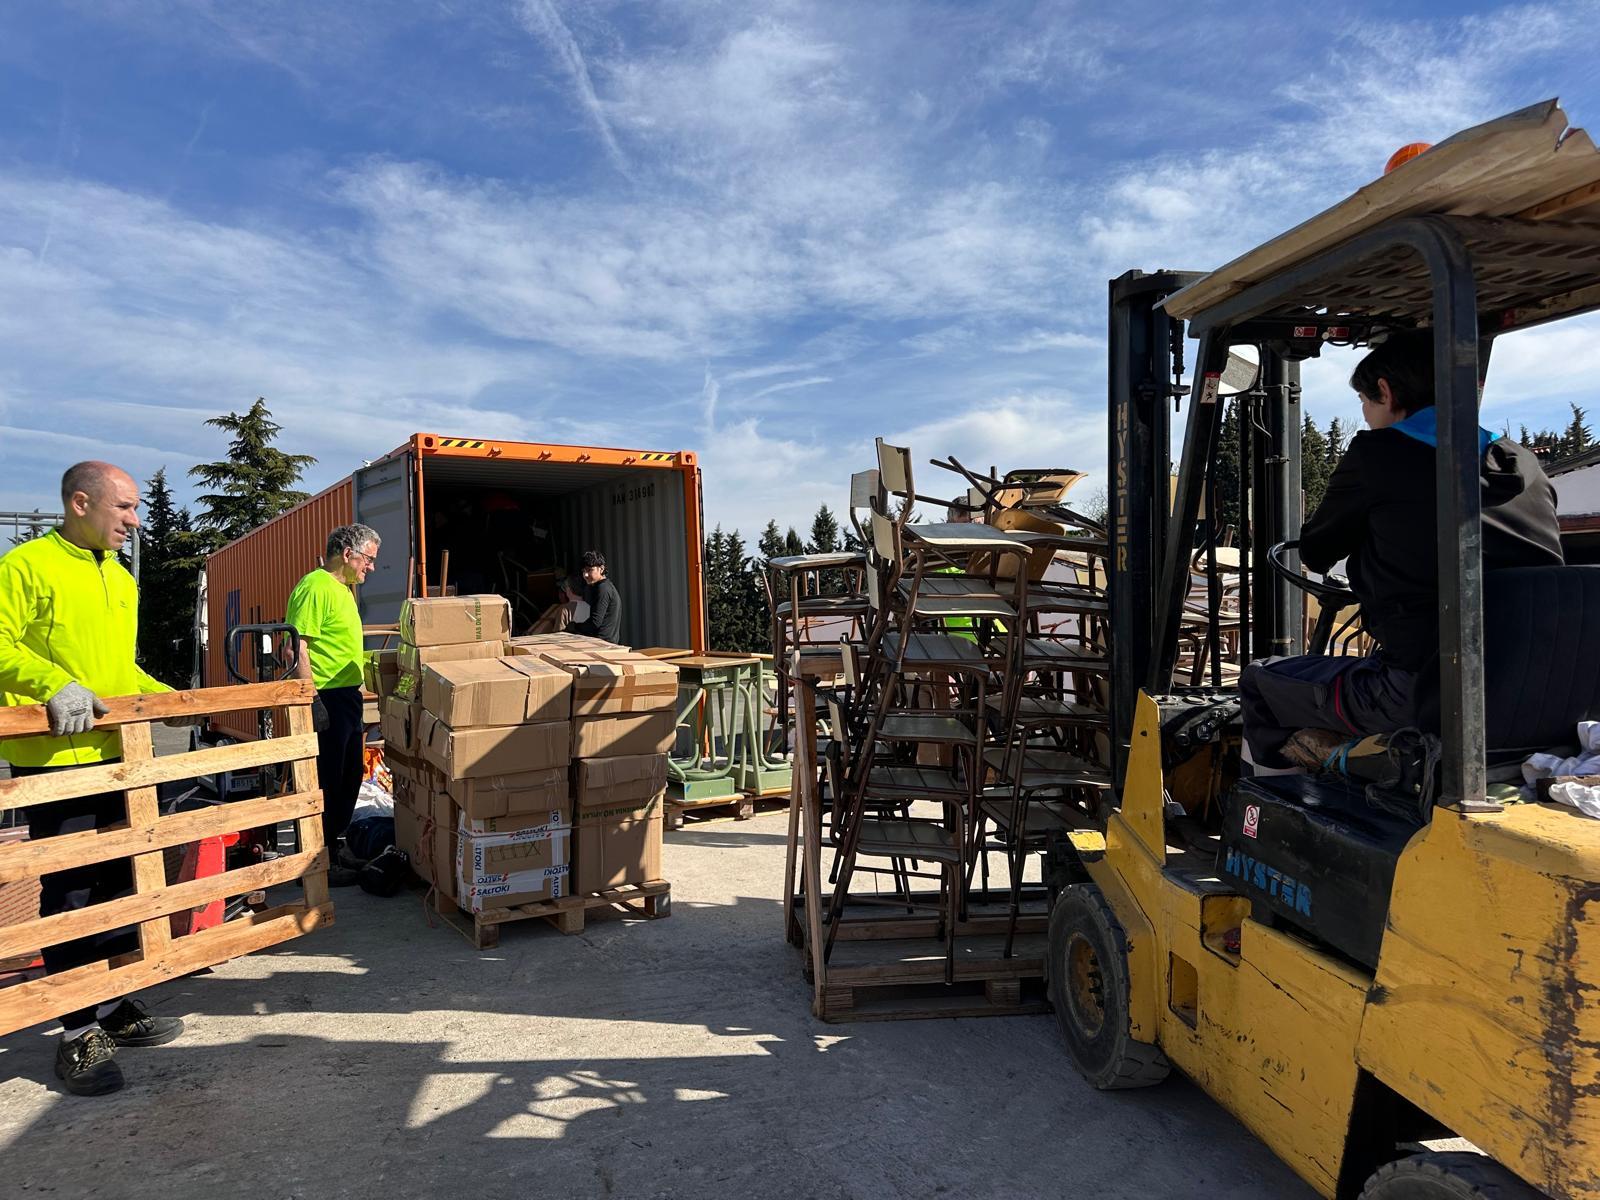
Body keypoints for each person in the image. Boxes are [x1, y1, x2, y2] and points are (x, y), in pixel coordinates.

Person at [1239, 335, 1564, 771]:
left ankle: (1272, 803)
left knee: (1260, 680)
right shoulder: (1524, 464)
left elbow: (1316, 551)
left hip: (1425, 691)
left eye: (1364, 401)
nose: (1365, 414)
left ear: (1386, 391)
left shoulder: (1379, 454)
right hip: (1545, 692)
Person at [0, 461, 186, 1096]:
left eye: (135, 509)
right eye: (125, 507)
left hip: (119, 754)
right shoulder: (27, 566)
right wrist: (52, 683)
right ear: (80, 503)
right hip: (56, 758)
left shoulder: (120, 577)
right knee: (73, 891)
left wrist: (169, 698)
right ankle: (77, 1029)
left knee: (119, 881)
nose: (135, 521)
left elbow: (118, 670)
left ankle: (109, 1003)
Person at [285, 524, 380, 884]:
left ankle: (334, 850)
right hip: (326, 696)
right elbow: (296, 648)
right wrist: (311, 699)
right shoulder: (315, 586)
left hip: (346, 696)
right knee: (326, 780)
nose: (371, 567)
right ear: (347, 554)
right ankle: (315, 861)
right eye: (368, 559)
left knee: (349, 777)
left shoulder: (343, 590)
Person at [569, 550, 622, 643]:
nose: (585, 575)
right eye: (583, 571)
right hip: (603, 642)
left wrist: (574, 627)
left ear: (601, 569)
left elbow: (595, 623)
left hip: (603, 644)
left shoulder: (603, 589)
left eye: (589, 570)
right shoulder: (603, 586)